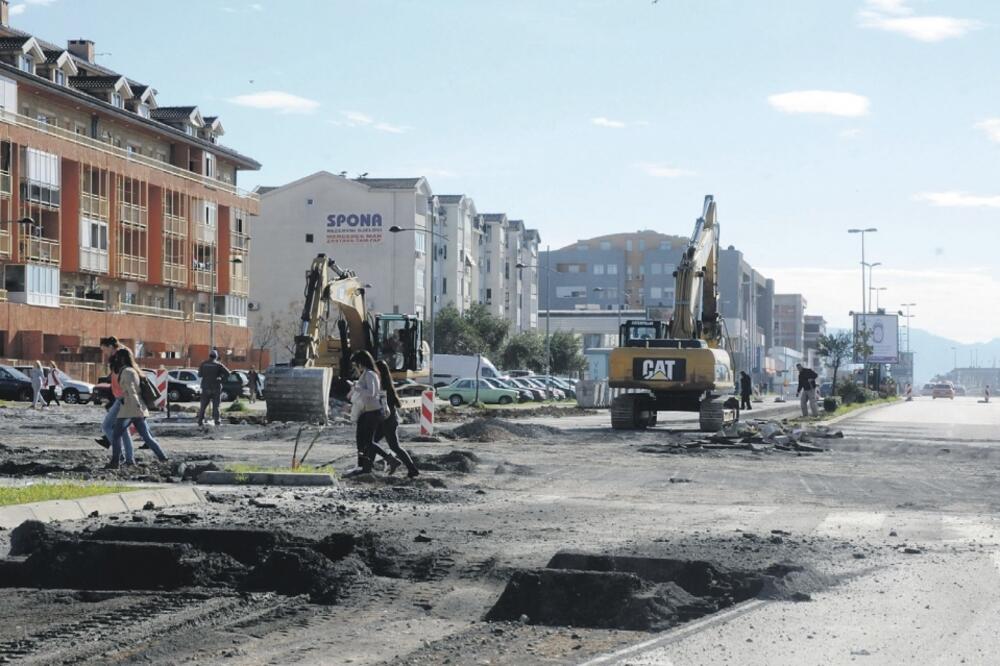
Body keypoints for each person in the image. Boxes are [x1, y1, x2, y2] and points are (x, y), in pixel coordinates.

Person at [109, 347, 168, 467]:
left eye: (117, 357)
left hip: (130, 409)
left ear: (121, 359)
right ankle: (163, 458)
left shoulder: (127, 372)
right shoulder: (135, 370)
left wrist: (136, 406)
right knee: (146, 436)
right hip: (138, 408)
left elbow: (132, 391)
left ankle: (115, 462)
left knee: (116, 435)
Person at [344, 350, 398, 477]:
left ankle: (390, 460)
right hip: (368, 411)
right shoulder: (366, 375)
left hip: (373, 412)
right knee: (362, 441)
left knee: (368, 442)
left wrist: (357, 387)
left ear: (361, 363)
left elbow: (372, 393)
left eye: (355, 364)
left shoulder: (370, 374)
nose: (355, 367)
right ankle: (363, 467)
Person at [374, 359, 419, 478]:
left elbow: (384, 406)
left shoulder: (382, 385)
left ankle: (411, 468)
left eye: (374, 369)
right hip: (385, 420)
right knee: (371, 443)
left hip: (388, 421)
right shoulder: (386, 383)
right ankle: (374, 466)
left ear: (379, 371)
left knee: (393, 446)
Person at [95, 337, 134, 453]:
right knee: (124, 430)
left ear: (110, 347)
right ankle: (129, 458)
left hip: (122, 398)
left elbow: (122, 376)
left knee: (107, 426)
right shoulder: (121, 355)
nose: (104, 353)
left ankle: (119, 454)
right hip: (121, 397)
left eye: (104, 349)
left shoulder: (119, 356)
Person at [196, 349, 230, 427]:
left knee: (203, 406)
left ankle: (200, 421)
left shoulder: (203, 364)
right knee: (216, 406)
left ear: (209, 356)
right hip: (216, 388)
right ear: (216, 356)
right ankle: (217, 422)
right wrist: (221, 379)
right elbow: (228, 373)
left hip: (205, 388)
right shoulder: (218, 365)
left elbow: (199, 375)